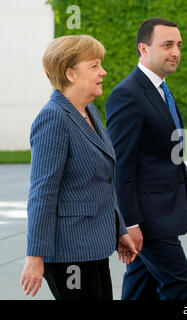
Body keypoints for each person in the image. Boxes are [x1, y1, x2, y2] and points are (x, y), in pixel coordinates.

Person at [20, 35, 138, 300]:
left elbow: (101, 181)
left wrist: (118, 230)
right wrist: (35, 256)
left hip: (94, 246)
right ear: (70, 73)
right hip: (68, 253)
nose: (103, 72)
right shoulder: (54, 117)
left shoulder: (89, 111)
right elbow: (43, 192)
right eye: (94, 65)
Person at [105, 17, 187, 300]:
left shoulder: (162, 90)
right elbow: (121, 166)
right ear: (144, 48)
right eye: (167, 45)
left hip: (163, 211)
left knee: (140, 287)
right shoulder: (127, 95)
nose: (175, 52)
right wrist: (129, 224)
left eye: (178, 45)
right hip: (147, 219)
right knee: (178, 285)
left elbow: (171, 159)